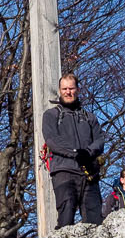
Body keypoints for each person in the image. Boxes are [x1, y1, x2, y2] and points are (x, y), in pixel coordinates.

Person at [41, 72, 109, 228]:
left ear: (78, 90)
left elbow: (99, 140)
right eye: (64, 89)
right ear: (59, 90)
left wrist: (87, 153)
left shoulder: (89, 117)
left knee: (95, 222)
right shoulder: (51, 115)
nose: (68, 92)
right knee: (66, 218)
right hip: (64, 172)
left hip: (89, 173)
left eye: (71, 88)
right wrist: (75, 153)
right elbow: (52, 141)